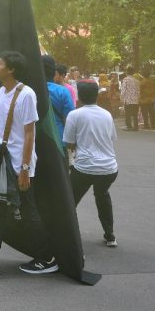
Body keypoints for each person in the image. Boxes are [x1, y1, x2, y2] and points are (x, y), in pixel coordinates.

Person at [0, 51, 58, 276]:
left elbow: (29, 135)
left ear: (11, 69)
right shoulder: (2, 93)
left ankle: (45, 257)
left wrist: (24, 169)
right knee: (3, 211)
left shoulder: (26, 94)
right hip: (5, 164)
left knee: (25, 211)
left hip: (18, 165)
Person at [63, 80, 119, 248]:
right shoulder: (107, 114)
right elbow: (111, 138)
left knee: (70, 200)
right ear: (96, 96)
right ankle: (110, 235)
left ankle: (67, 235)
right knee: (102, 195)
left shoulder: (75, 115)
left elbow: (69, 143)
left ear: (79, 96)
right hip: (109, 168)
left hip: (85, 167)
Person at [41, 55, 74, 142]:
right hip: (59, 139)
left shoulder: (29, 91)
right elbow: (69, 119)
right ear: (54, 72)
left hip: (36, 142)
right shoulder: (62, 91)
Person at [120, 67, 140, 131]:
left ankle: (129, 126)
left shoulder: (125, 80)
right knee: (135, 114)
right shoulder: (136, 81)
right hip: (135, 100)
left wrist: (121, 98)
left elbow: (123, 90)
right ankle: (136, 126)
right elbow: (138, 91)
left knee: (127, 114)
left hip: (128, 100)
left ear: (127, 72)